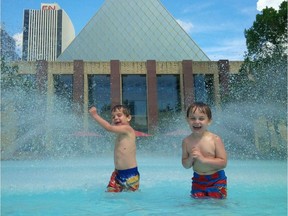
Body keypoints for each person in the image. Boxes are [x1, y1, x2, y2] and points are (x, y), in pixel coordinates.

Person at [89, 105, 140, 192]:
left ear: (128, 118)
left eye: (119, 115)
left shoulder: (128, 129)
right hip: (117, 173)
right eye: (113, 117)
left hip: (130, 174)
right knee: (110, 194)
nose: (116, 118)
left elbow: (109, 128)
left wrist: (95, 115)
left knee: (130, 199)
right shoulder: (119, 134)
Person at [181, 102, 227, 199]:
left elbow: (223, 163)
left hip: (216, 179)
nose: (196, 121)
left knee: (217, 204)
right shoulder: (186, 141)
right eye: (193, 118)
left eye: (201, 118)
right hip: (198, 180)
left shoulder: (215, 139)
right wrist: (190, 159)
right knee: (198, 205)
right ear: (187, 120)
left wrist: (203, 160)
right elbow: (185, 165)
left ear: (209, 121)